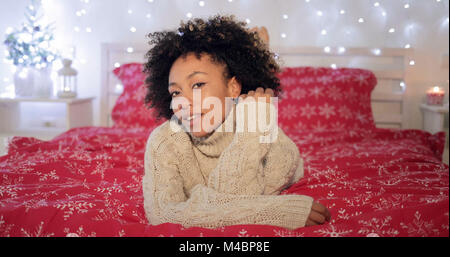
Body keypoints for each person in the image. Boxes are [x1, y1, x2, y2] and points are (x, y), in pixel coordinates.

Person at [142, 15, 330, 230]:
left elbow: (239, 195)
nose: (183, 102)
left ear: (233, 87)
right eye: (176, 92)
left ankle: (259, 59)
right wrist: (277, 211)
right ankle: (258, 55)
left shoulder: (262, 127)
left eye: (198, 84)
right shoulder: (164, 140)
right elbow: (164, 214)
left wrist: (251, 129)